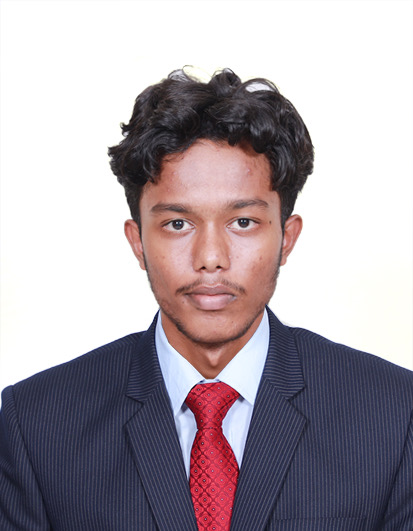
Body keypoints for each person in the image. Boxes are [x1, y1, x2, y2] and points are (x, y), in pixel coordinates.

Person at [0, 69, 412, 531]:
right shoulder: (36, 424)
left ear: (287, 238)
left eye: (243, 222)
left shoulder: (393, 414)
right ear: (138, 242)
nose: (211, 258)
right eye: (178, 224)